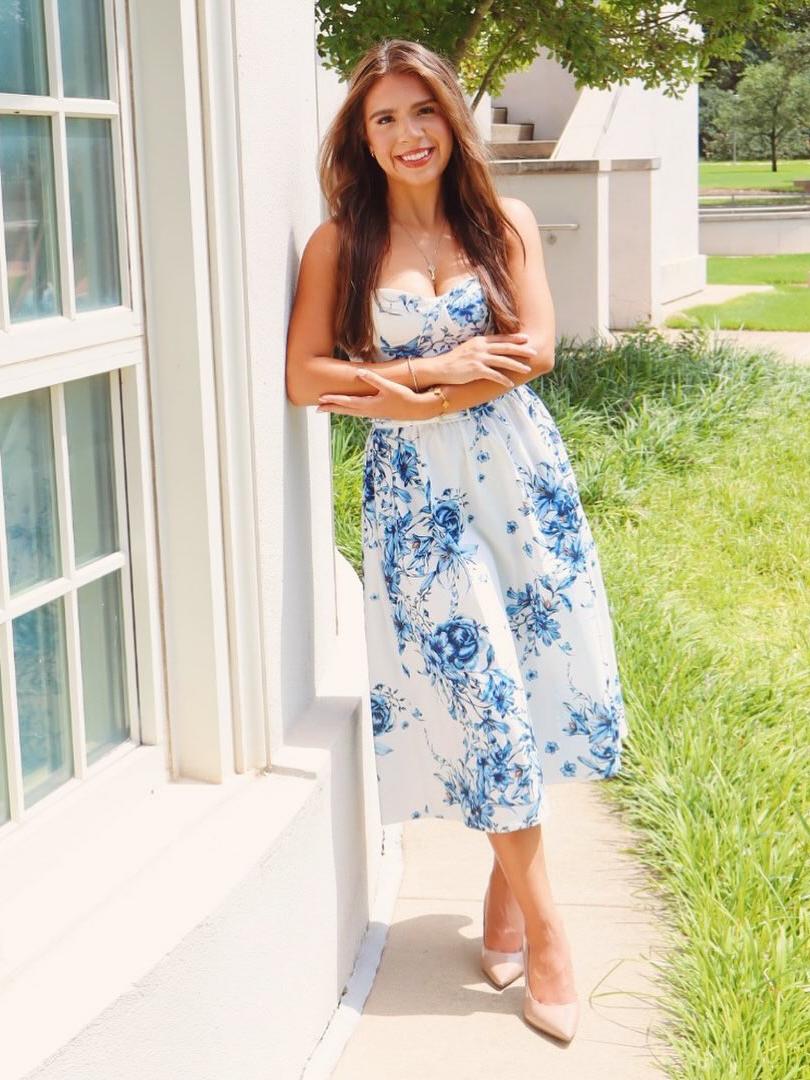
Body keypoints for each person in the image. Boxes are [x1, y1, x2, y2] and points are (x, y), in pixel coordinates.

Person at [285, 38, 627, 1044]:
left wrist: (403, 382)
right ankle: (553, 932)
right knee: (479, 692)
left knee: (533, 681)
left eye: (420, 113)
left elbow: (537, 355)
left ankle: (504, 886)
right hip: (415, 503)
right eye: (381, 120)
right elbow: (307, 380)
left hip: (519, 482)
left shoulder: (503, 222)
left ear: (450, 119)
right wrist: (449, 369)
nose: (405, 136)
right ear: (361, 138)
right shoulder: (340, 245)